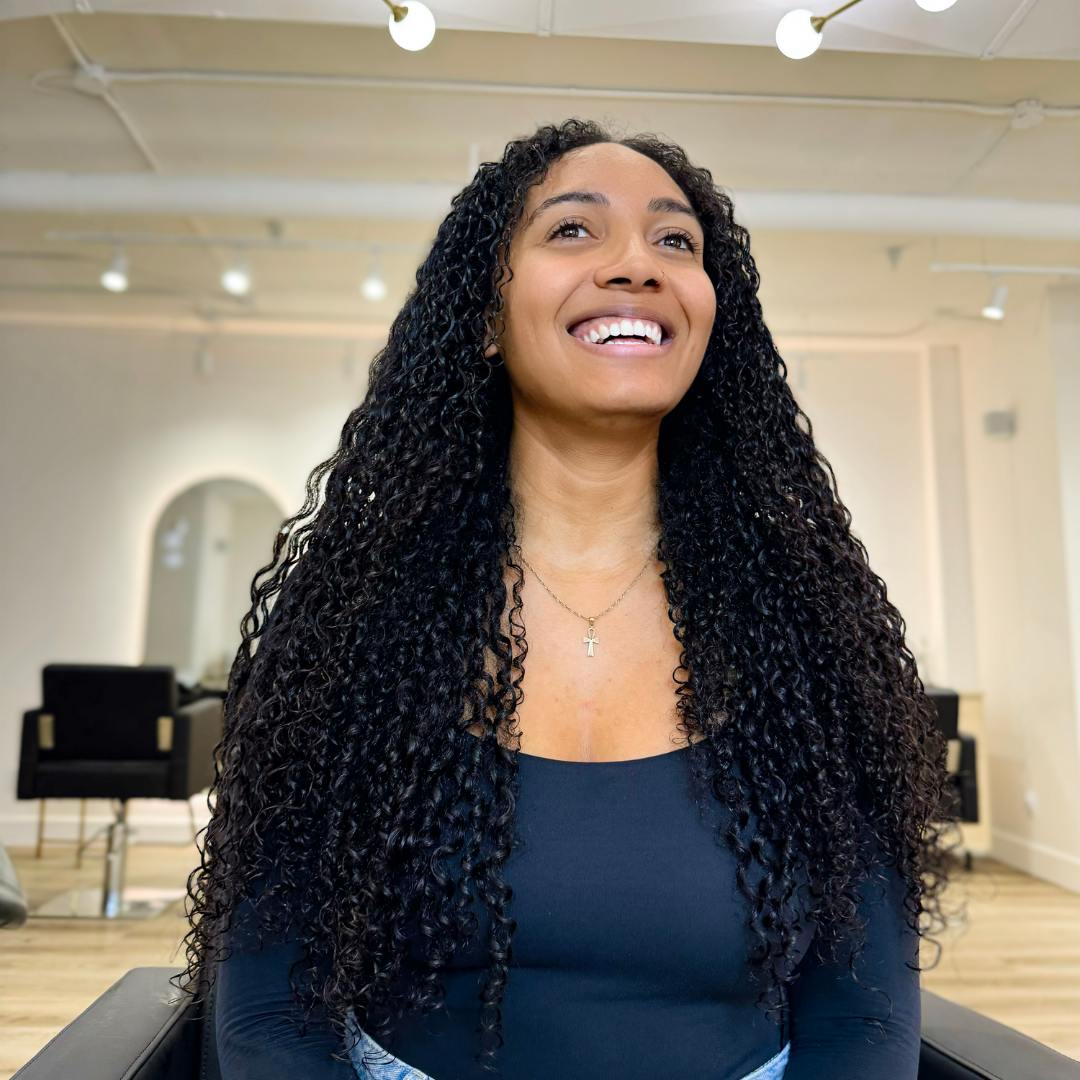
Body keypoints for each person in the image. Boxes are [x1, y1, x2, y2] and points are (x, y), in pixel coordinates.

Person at [176, 118, 956, 1079]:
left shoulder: (807, 635)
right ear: (487, 316)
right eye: (574, 231)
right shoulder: (354, 628)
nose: (638, 264)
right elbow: (268, 1020)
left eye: (677, 240)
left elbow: (867, 1020)